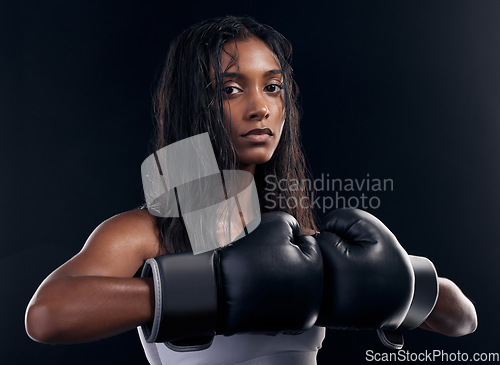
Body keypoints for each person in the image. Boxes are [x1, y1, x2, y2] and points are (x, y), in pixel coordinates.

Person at [25, 15, 477, 364]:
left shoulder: (299, 237)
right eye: (230, 89)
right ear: (194, 103)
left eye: (273, 87)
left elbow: (463, 318)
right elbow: (47, 315)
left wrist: (396, 284)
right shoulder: (149, 232)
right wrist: (215, 291)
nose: (259, 107)